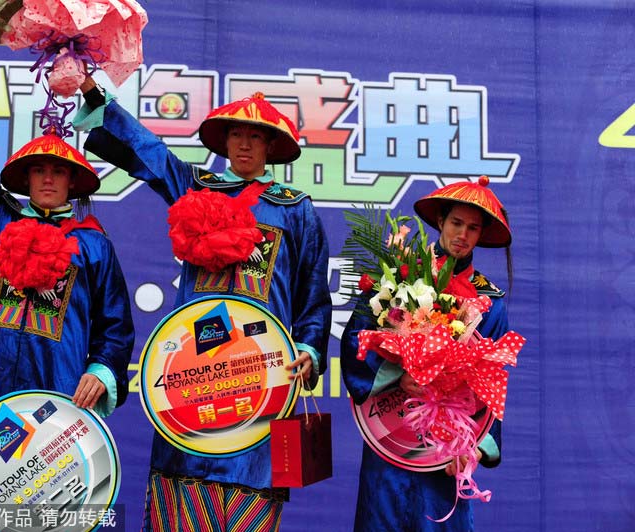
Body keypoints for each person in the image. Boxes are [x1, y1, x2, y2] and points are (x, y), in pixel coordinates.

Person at [72, 76, 332, 531]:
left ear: (271, 146)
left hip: (263, 376)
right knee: (181, 488)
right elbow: (149, 153)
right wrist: (96, 97)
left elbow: (313, 296)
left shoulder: (296, 210)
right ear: (224, 141)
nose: (245, 144)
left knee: (252, 490)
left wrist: (308, 352)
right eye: (237, 134)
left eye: (255, 136)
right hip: (191, 375)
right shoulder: (197, 188)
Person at [0, 79, 135, 506]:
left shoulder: (94, 244)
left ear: (74, 181)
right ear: (27, 177)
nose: (49, 178)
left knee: (51, 505)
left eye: (58, 171)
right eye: (40, 169)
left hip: (57, 396)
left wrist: (102, 371)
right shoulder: (1, 222)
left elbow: (115, 328)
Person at [340, 177, 513, 532]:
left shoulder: (490, 303)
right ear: (440, 222)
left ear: (481, 235)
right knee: (381, 517)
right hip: (393, 430)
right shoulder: (399, 274)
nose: (462, 234)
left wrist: (475, 446)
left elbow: (494, 380)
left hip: (447, 446)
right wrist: (396, 375)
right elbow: (356, 337)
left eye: (473, 228)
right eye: (456, 223)